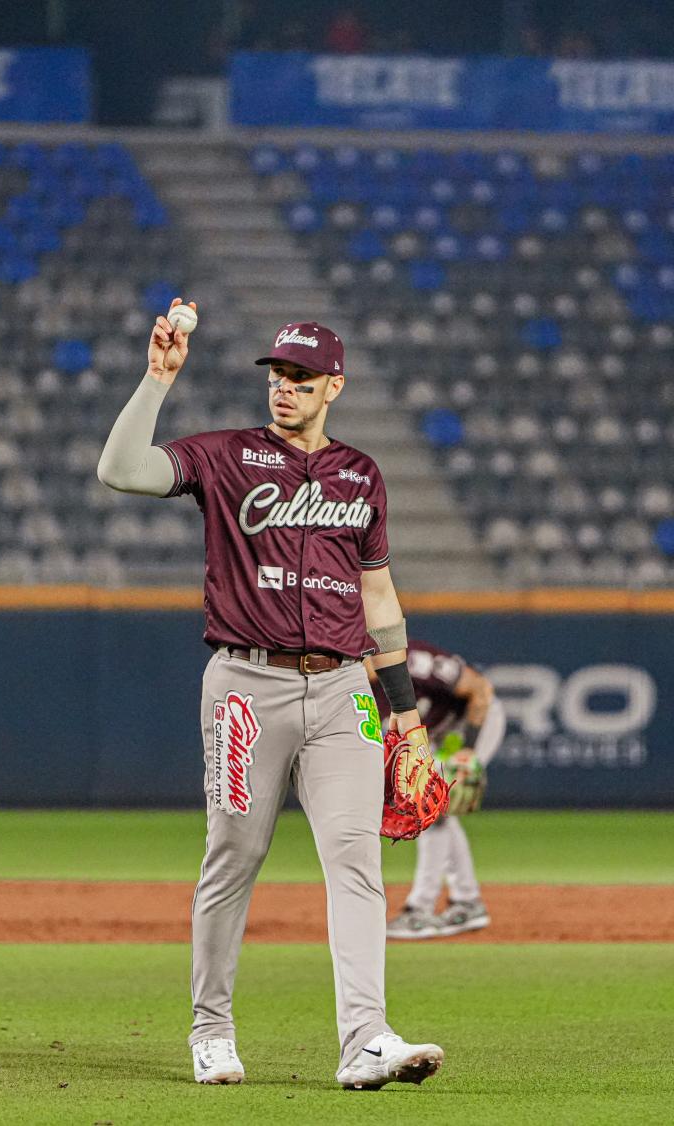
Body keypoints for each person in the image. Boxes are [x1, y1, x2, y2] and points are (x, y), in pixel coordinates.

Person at [97, 300, 447, 1091]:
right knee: (234, 856)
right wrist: (156, 382)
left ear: (335, 386)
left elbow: (381, 599)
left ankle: (365, 1040)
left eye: (300, 377)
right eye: (276, 374)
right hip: (245, 684)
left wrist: (409, 718)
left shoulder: (361, 475)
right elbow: (120, 470)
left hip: (342, 690)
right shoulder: (225, 457)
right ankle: (210, 1031)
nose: (282, 387)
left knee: (356, 863)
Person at [375, 641, 504, 940]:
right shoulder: (351, 685)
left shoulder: (414, 663)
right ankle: (467, 901)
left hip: (470, 724)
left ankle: (420, 910)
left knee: (432, 811)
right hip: (433, 734)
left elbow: (481, 690)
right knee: (436, 812)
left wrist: (468, 751)